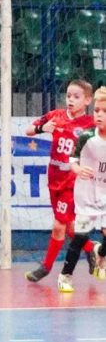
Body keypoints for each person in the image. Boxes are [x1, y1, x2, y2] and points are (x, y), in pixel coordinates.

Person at [25, 79, 96, 283]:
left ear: (87, 100)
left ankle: (46, 268)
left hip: (73, 181)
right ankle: (92, 250)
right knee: (70, 227)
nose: (71, 100)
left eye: (76, 97)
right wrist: (43, 128)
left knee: (58, 226)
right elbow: (28, 130)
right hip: (54, 176)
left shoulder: (90, 123)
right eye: (68, 96)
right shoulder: (56, 116)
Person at [57, 86, 106, 292]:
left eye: (104, 111)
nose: (99, 115)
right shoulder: (87, 137)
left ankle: (100, 254)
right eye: (96, 111)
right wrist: (78, 170)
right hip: (86, 194)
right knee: (81, 237)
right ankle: (65, 276)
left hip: (104, 193)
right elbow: (72, 162)